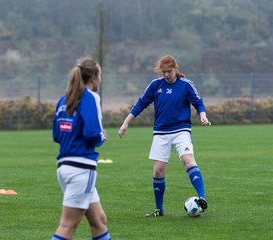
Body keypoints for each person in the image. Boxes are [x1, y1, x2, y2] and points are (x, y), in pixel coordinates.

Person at [118, 55, 211, 217]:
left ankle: (202, 198)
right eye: (164, 72)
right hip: (161, 133)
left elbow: (198, 103)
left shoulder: (186, 85)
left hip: (181, 130)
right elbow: (141, 103)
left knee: (188, 161)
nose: (166, 75)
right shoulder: (155, 85)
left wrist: (202, 115)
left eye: (169, 71)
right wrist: (126, 123)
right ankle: (159, 210)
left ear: (175, 69)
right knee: (158, 172)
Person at [52, 57, 111, 240]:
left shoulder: (64, 99)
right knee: (67, 227)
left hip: (64, 167)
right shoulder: (91, 97)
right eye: (99, 74)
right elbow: (92, 133)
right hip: (81, 169)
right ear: (93, 77)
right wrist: (102, 136)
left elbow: (56, 135)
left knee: (99, 221)